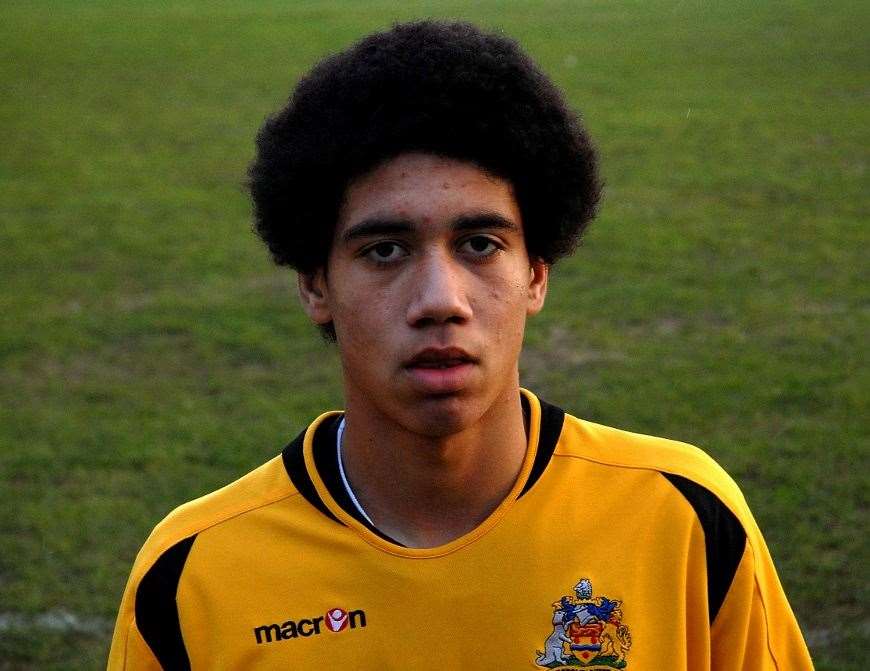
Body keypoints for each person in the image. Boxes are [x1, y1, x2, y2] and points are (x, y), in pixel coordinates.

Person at [108, 20, 813, 670]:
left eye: (480, 244)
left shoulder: (685, 518)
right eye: (385, 250)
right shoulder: (193, 573)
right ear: (315, 284)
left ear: (536, 272)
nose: (441, 299)